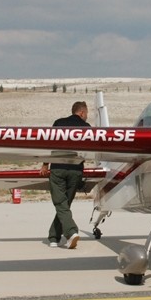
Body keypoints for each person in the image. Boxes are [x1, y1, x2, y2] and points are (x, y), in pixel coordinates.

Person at [39, 101, 90, 249]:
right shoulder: (87, 128)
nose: (87, 116)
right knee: (65, 204)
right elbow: (87, 151)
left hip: (58, 169)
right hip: (75, 170)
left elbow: (50, 144)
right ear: (81, 113)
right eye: (86, 113)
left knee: (61, 204)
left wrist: (44, 164)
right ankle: (54, 237)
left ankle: (71, 232)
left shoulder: (59, 123)